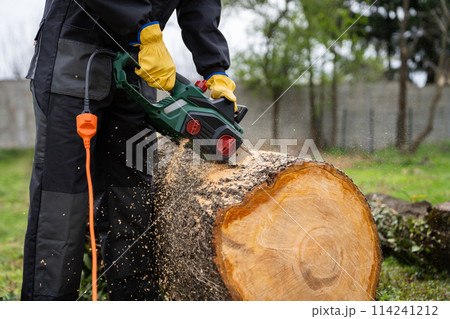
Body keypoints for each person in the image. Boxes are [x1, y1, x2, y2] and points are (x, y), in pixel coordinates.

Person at [22, 0, 237, 301]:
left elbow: (199, 3)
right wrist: (143, 28)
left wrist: (215, 68)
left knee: (132, 201)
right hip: (74, 55)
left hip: (138, 68)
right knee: (62, 206)